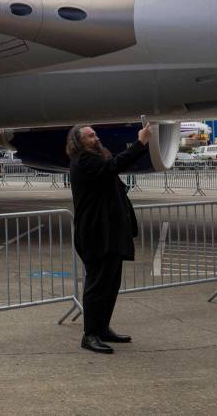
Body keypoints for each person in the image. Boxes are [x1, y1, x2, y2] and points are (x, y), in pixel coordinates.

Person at [66, 123, 150, 354]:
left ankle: (102, 328)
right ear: (78, 142)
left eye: (95, 134)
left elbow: (112, 169)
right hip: (96, 234)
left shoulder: (96, 159)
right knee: (97, 285)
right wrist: (140, 142)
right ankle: (90, 334)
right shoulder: (84, 160)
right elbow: (114, 165)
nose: (96, 138)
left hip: (109, 233)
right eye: (90, 136)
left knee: (110, 284)